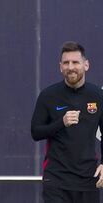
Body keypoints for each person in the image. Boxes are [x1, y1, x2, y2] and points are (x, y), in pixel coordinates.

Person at [31, 41, 103, 203]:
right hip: (56, 179)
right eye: (66, 63)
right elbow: (35, 132)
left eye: (75, 62)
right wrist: (60, 123)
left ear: (86, 65)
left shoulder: (97, 95)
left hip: (88, 179)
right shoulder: (48, 96)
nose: (70, 67)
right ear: (60, 67)